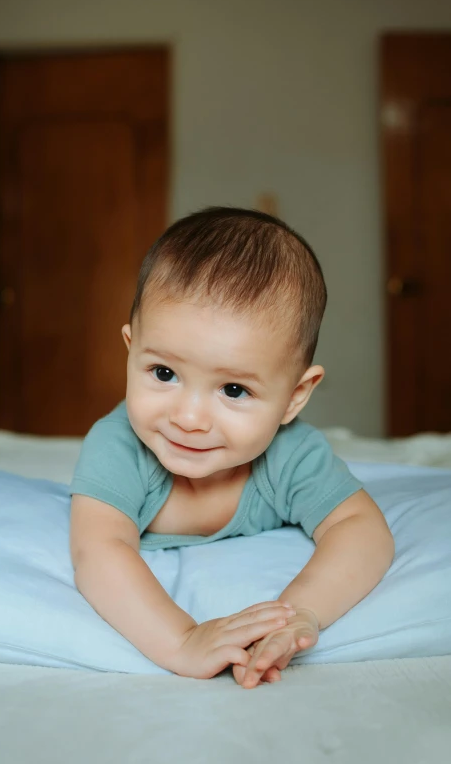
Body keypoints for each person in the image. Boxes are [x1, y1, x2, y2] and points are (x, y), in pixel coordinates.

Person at [69, 207, 394, 689]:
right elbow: (99, 551)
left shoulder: (291, 454)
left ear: (294, 397)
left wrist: (301, 613)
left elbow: (363, 531)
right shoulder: (118, 446)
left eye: (234, 390)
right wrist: (182, 639)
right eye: (164, 373)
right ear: (131, 348)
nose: (188, 418)